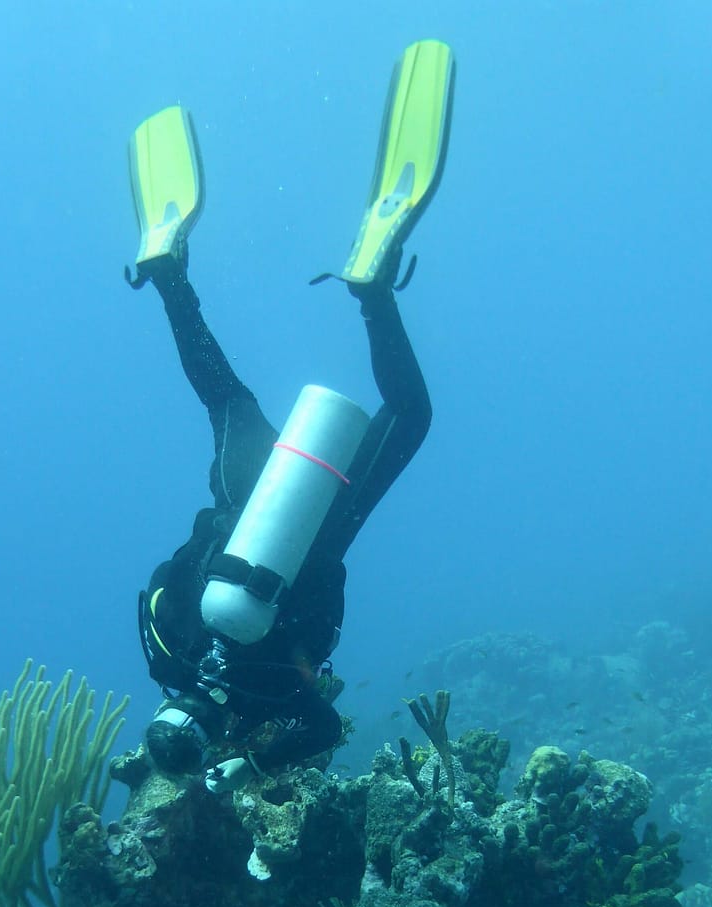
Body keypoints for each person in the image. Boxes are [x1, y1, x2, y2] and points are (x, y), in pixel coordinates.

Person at [128, 41, 455, 793]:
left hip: (311, 533)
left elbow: (323, 728)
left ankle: (374, 291)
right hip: (247, 498)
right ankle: (169, 274)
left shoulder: (267, 692)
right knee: (226, 397)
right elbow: (153, 584)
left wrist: (249, 764)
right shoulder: (164, 656)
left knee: (409, 414)